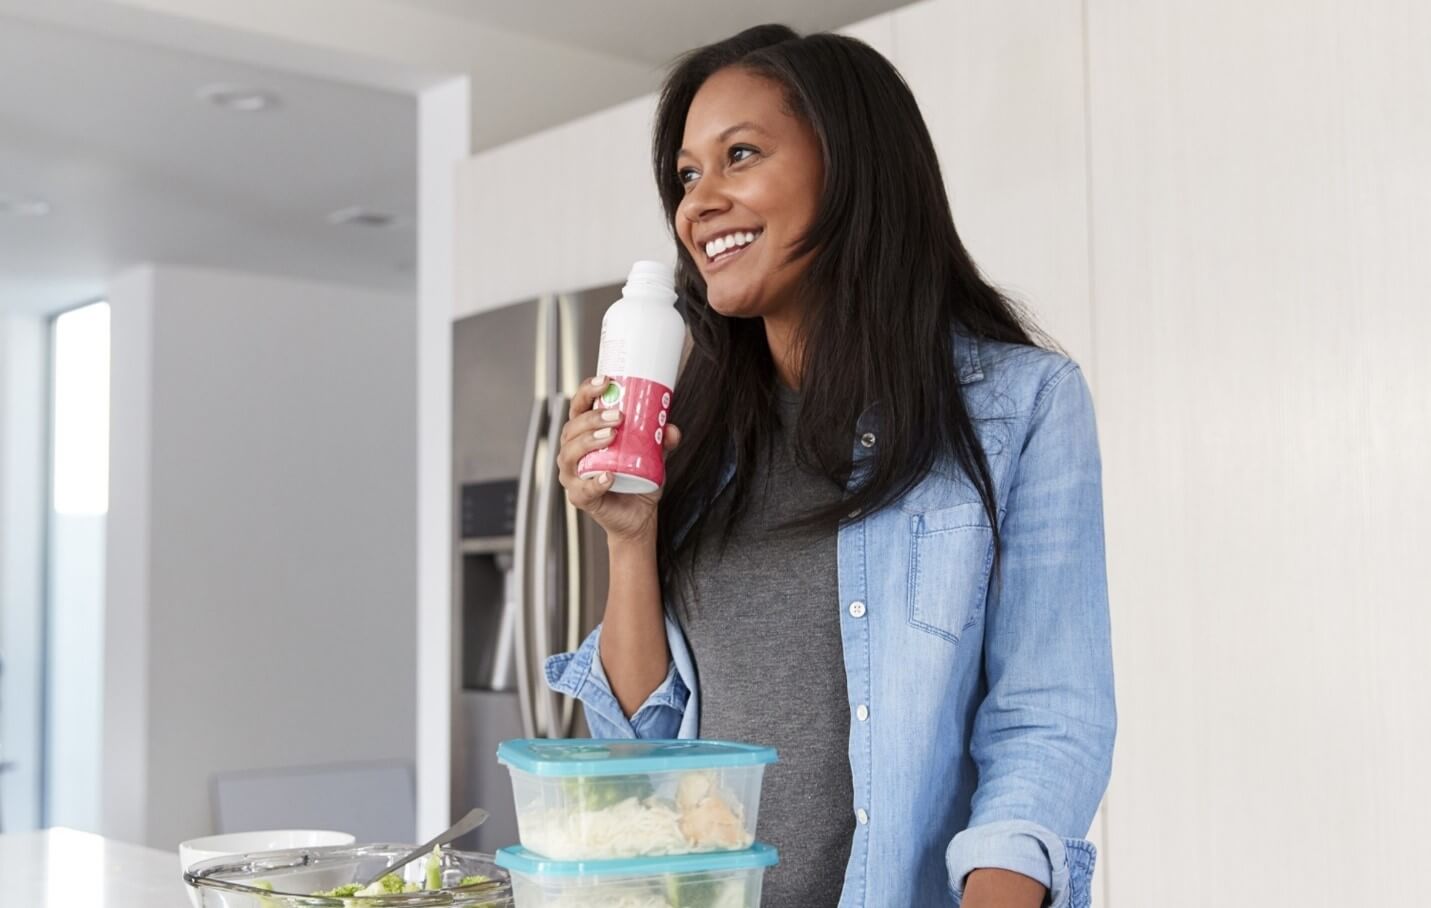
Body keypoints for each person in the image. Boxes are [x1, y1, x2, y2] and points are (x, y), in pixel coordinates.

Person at [549, 24, 1115, 908]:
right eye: (687, 176)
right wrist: (629, 538)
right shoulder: (694, 430)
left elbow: (1046, 723)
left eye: (740, 155)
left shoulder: (1015, 405)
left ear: (850, 166)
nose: (698, 203)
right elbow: (638, 756)